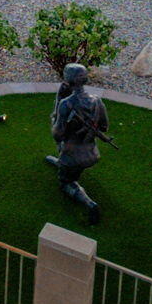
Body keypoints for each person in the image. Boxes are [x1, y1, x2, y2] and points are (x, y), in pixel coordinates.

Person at [47, 63, 110, 225]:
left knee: (66, 182)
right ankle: (61, 164)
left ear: (67, 81)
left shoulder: (66, 104)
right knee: (69, 168)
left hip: (72, 156)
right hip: (91, 152)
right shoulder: (96, 100)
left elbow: (57, 134)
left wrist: (58, 102)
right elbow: (104, 126)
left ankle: (90, 204)